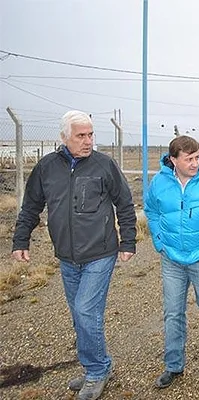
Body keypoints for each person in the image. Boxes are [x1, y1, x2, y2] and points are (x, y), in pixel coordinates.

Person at [12, 110, 137, 400]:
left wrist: (128, 242)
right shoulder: (46, 168)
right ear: (64, 137)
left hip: (100, 252)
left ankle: (95, 372)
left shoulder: (104, 165)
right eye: (81, 135)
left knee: (85, 311)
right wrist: (21, 240)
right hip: (67, 256)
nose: (88, 141)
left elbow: (125, 204)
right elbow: (31, 206)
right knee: (80, 315)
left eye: (91, 134)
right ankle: (99, 365)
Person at [144, 135, 199, 389]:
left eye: (197, 157)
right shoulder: (159, 183)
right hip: (171, 258)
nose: (195, 163)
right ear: (173, 160)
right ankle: (173, 365)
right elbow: (151, 210)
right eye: (188, 159)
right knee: (173, 311)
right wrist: (160, 240)